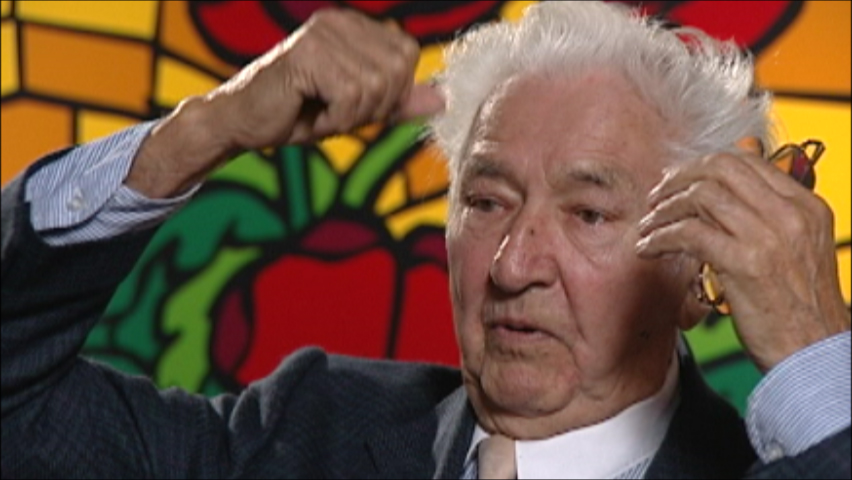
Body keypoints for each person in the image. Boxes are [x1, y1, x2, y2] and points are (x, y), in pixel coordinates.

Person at [1, 2, 849, 478]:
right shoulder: (309, 430)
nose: (513, 264)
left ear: (698, 269)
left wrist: (816, 355)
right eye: (486, 201)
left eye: (588, 214)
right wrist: (199, 133)